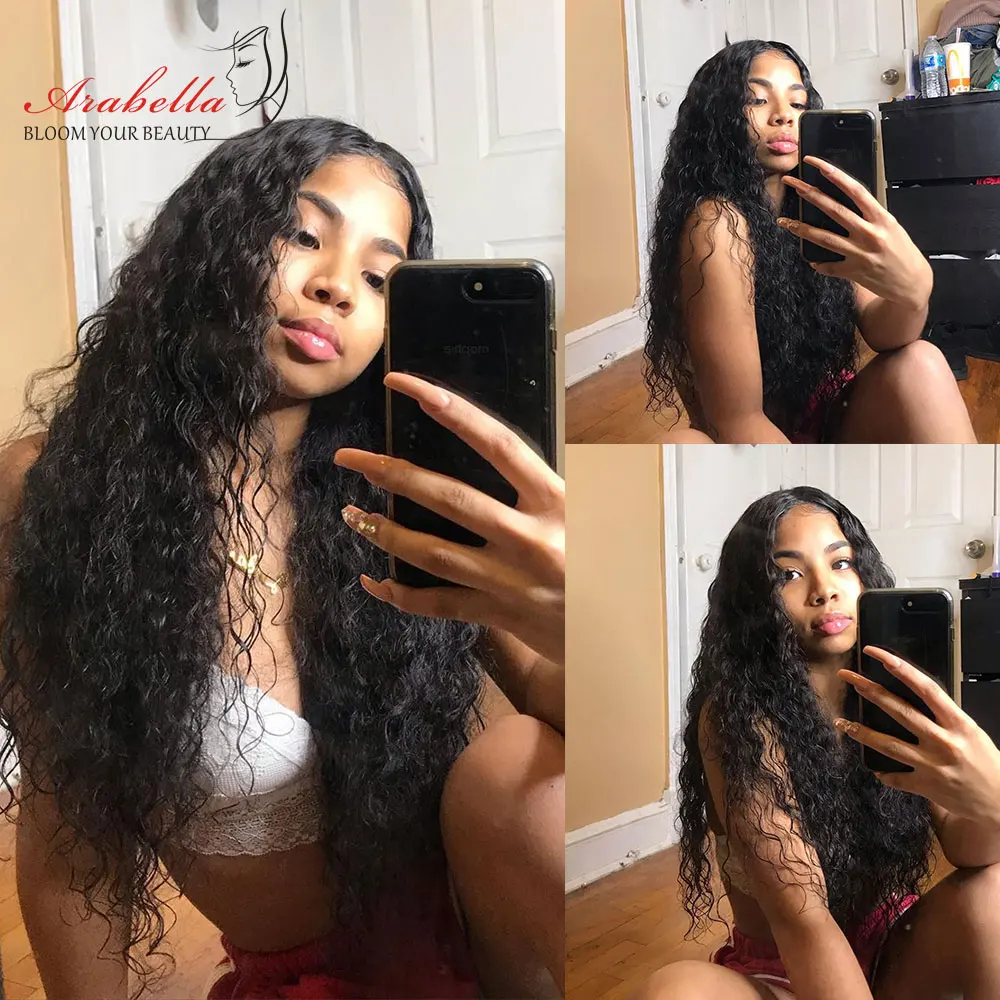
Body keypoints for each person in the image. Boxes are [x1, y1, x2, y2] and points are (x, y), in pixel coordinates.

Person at [0, 117, 564, 1000]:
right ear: (210, 240)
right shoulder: (56, 490)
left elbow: (563, 719)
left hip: (506, 945)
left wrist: (564, 609)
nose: (337, 286)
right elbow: (71, 841)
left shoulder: (410, 487)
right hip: (312, 981)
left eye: (379, 277)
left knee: (524, 763)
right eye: (303, 234)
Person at [635, 487, 1000, 1000]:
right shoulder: (739, 718)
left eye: (841, 563)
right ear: (753, 601)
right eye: (788, 574)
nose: (824, 590)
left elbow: (968, 850)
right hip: (789, 969)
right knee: (675, 991)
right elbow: (802, 920)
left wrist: (991, 797)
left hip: (893, 951)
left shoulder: (898, 697)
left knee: (993, 891)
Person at [644, 40, 977, 444]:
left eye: (798, 104)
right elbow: (738, 422)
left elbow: (884, 333)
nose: (784, 115)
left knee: (922, 361)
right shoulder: (716, 223)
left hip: (830, 422)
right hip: (750, 447)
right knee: (677, 444)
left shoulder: (815, 210)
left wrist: (913, 294)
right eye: (756, 99)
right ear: (716, 116)